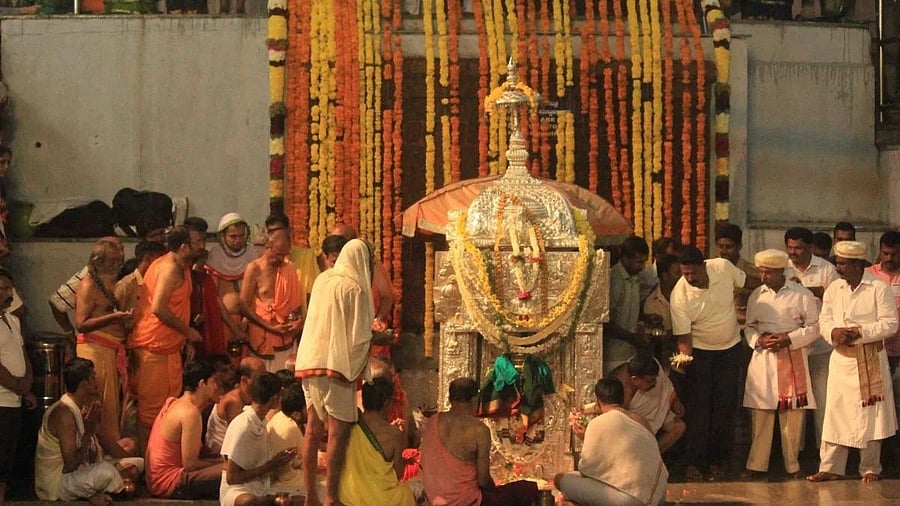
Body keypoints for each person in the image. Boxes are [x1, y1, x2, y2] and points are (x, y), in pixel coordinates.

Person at [808, 241, 899, 483]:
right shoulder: (834, 288)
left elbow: (891, 323)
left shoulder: (878, 288)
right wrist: (834, 333)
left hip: (869, 358)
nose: (838, 267)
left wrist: (859, 332)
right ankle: (829, 467)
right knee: (835, 412)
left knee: (870, 413)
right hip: (841, 360)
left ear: (858, 265)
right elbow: (824, 320)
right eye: (837, 262)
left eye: (843, 263)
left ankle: (870, 467)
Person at [295, 239, 377, 506]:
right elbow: (359, 338)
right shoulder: (354, 288)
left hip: (309, 362)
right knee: (338, 433)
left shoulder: (323, 280)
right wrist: (372, 348)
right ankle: (330, 497)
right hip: (336, 366)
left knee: (312, 429)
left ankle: (310, 497)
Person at [742, 249, 819, 480]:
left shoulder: (801, 294)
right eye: (761, 272)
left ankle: (792, 465)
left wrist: (789, 338)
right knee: (762, 412)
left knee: (793, 414)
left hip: (792, 355)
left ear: (780, 272)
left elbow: (815, 327)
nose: (763, 277)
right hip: (764, 356)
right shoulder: (757, 294)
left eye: (768, 273)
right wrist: (759, 340)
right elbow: (749, 326)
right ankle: (756, 465)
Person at [670, 245, 746, 481]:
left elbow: (744, 283)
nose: (690, 278)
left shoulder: (722, 267)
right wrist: (683, 361)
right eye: (685, 274)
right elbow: (685, 338)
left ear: (704, 265)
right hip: (700, 354)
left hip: (730, 350)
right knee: (699, 410)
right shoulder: (679, 295)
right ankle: (694, 462)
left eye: (694, 273)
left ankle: (719, 461)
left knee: (725, 408)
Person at [131, 224, 206, 449]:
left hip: (170, 347)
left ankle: (162, 463)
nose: (202, 246)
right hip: (154, 348)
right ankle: (150, 470)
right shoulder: (170, 268)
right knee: (150, 414)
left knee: (167, 408)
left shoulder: (182, 265)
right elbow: (158, 308)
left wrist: (184, 339)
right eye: (198, 243)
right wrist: (189, 332)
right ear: (183, 247)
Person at [34, 358, 143, 505]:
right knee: (106, 472)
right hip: (55, 485)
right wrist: (89, 432)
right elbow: (71, 465)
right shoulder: (63, 413)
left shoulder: (81, 406)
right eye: (93, 378)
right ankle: (107, 489)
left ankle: (106, 488)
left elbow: (92, 453)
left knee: (138, 463)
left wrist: (93, 428)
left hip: (78, 473)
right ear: (84, 384)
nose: (96, 382)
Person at [420, 377, 539, 506]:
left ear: (450, 399)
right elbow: (483, 481)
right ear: (474, 400)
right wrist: (494, 490)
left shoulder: (432, 421)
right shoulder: (479, 430)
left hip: (433, 499)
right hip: (466, 501)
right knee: (528, 488)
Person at [555, 378, 668, 506]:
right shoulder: (641, 420)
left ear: (597, 401)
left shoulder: (597, 423)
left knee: (561, 479)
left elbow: (587, 469)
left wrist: (586, 437)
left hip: (630, 500)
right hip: (658, 496)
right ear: (623, 398)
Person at [74, 238, 134, 455]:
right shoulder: (88, 284)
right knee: (100, 407)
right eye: (115, 260)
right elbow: (81, 324)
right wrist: (114, 317)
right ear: (102, 262)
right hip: (94, 351)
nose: (119, 263)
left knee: (112, 409)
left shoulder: (110, 283)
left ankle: (111, 454)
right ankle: (102, 455)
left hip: (110, 350)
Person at [784, 226, 839, 449]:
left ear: (810, 248)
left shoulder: (826, 269)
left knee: (824, 401)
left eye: (798, 248)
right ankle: (793, 453)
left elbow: (838, 300)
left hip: (820, 346)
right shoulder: (783, 268)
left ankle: (823, 453)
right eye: (790, 248)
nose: (794, 253)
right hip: (791, 345)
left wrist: (816, 291)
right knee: (795, 403)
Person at [145, 360, 224, 499]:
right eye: (214, 381)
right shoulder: (190, 413)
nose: (217, 387)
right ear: (201, 384)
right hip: (169, 482)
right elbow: (191, 465)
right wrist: (221, 462)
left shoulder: (174, 402)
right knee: (233, 471)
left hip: (159, 480)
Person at [219, 372, 297, 506]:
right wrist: (271, 465)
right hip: (237, 490)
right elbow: (232, 478)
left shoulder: (262, 421)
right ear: (273, 399)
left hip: (260, 485)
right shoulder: (243, 426)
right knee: (249, 502)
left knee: (301, 497)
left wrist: (280, 459)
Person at [338, 375, 414, 506]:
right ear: (386, 403)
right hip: (382, 499)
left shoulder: (349, 424)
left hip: (349, 496)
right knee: (406, 495)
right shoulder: (394, 433)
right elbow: (399, 473)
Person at [240, 226, 305, 371]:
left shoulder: (289, 268)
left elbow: (295, 304)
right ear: (268, 247)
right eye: (278, 254)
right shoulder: (254, 268)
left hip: (287, 336)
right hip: (262, 334)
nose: (281, 258)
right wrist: (270, 327)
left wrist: (297, 321)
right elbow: (243, 306)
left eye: (285, 255)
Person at [0, 267, 38, 506]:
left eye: (9, 288)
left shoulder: (12, 320)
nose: (8, 293)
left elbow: (22, 354)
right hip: (1, 399)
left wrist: (28, 386)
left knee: (7, 459)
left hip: (15, 400)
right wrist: (18, 386)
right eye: (2, 288)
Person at [610, 354, 686, 454]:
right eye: (650, 381)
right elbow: (619, 418)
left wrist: (675, 401)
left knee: (679, 427)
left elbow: (665, 386)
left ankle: (653, 456)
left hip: (656, 412)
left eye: (655, 379)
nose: (655, 384)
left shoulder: (651, 366)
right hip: (633, 425)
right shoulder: (622, 388)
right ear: (635, 379)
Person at [205, 213, 258, 353]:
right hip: (225, 322)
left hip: (250, 321)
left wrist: (245, 323)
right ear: (223, 236)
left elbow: (256, 291)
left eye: (241, 236)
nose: (238, 240)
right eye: (233, 237)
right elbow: (214, 296)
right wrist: (234, 329)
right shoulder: (215, 255)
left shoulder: (252, 253)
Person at [606, 235, 650, 375]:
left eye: (644, 262)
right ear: (624, 258)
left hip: (629, 353)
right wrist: (633, 338)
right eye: (638, 262)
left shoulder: (635, 278)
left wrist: (647, 318)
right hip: (614, 356)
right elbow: (606, 322)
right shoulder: (614, 280)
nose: (642, 267)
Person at [206, 356, 267, 455]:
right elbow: (240, 438)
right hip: (221, 456)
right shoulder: (234, 401)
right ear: (244, 380)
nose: (264, 381)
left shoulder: (253, 394)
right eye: (260, 377)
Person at [866, 231, 900, 375]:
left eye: (894, 254)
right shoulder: (867, 275)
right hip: (877, 346)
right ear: (880, 251)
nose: (889, 258)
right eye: (885, 253)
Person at [715, 222, 762, 325]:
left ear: (739, 247)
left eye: (729, 247)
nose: (724, 251)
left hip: (746, 327)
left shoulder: (753, 272)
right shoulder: (711, 270)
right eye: (720, 246)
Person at [267, 381, 307, 496]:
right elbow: (285, 475)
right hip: (280, 483)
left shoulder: (286, 419)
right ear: (296, 414)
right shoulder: (288, 427)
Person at [641, 254, 680, 367]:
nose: (682, 277)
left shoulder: (689, 297)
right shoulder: (652, 302)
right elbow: (651, 339)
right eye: (677, 273)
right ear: (665, 275)